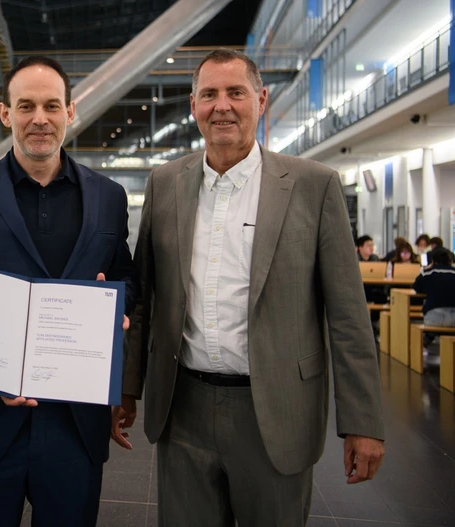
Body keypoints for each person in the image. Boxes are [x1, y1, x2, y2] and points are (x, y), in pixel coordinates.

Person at [122, 48, 385, 526]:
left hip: (277, 410)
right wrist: (127, 388)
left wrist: (363, 423)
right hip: (183, 407)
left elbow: (347, 316)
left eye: (235, 93)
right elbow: (144, 299)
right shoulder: (165, 184)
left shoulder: (313, 186)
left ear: (260, 100)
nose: (222, 106)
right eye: (209, 94)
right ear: (193, 105)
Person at [0, 56, 135, 527]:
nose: (40, 118)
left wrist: (120, 312)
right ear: (5, 113)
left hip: (75, 426)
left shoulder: (108, 197)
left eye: (51, 105)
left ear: (70, 112)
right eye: (26, 106)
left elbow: (126, 277)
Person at [413, 246, 455, 327]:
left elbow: (416, 287)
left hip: (436, 316)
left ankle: (430, 337)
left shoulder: (428, 273)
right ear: (451, 261)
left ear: (433, 261)